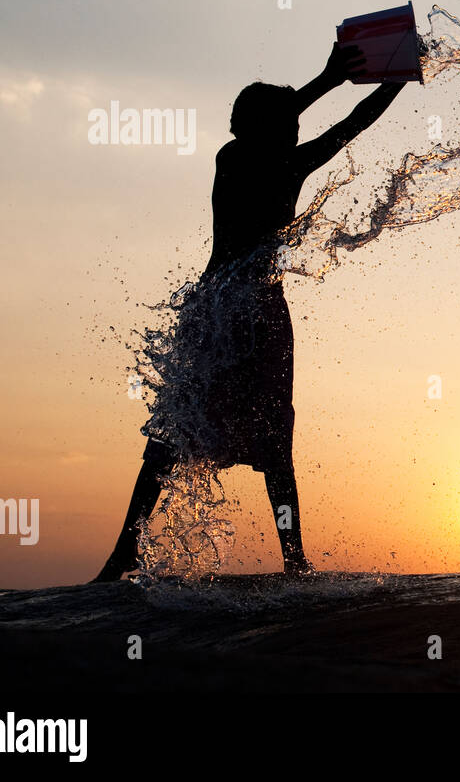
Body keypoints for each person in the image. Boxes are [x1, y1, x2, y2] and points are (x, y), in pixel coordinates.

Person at [93, 45, 404, 581]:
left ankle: (121, 559)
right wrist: (397, 78)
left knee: (171, 437)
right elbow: (355, 122)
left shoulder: (232, 157)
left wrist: (328, 79)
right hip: (257, 312)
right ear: (276, 127)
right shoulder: (289, 163)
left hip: (214, 305)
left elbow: (281, 120)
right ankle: (294, 562)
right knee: (272, 449)